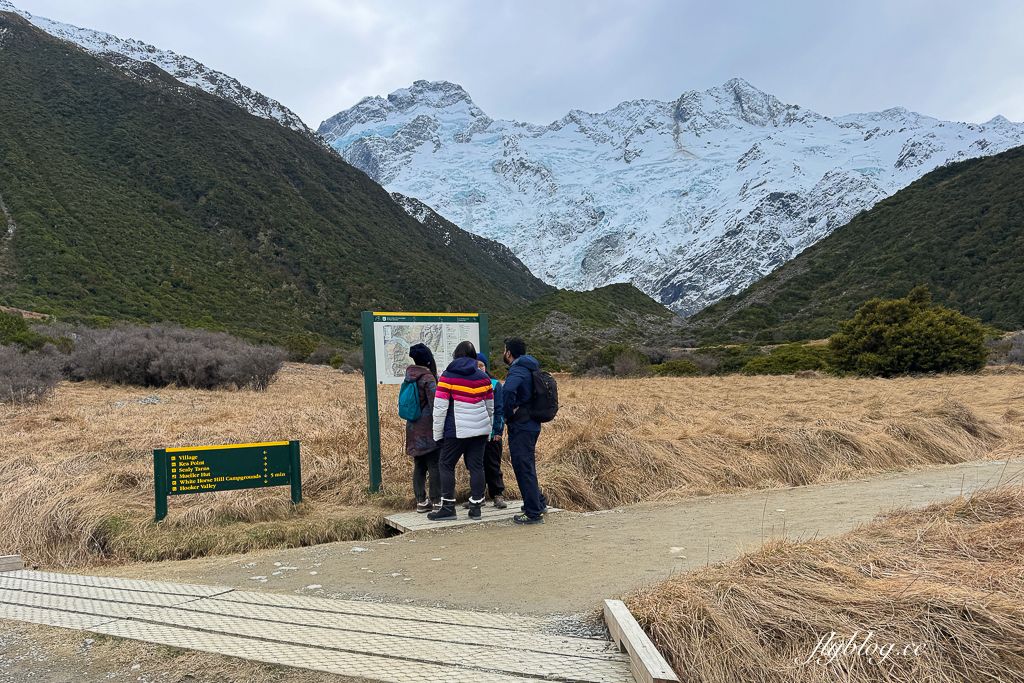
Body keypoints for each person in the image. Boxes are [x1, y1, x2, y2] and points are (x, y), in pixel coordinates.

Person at [429, 341, 494, 521]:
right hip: (480, 430)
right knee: (476, 467)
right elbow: (490, 408)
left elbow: (440, 409)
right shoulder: (484, 378)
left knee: (446, 464)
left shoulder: (447, 377)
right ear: (474, 357)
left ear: (455, 356)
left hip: (456, 430)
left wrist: (437, 435)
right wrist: (488, 429)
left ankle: (448, 507)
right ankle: (476, 507)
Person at [501, 337, 548, 524]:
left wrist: (508, 415)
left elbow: (508, 391)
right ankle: (538, 501)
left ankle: (533, 512)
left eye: (505, 350)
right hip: (532, 423)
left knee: (523, 468)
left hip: (521, 425)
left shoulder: (518, 369)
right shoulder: (531, 367)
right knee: (527, 465)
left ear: (509, 353)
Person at [462, 352, 507, 510]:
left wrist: (498, 430)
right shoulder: (466, 384)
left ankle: (497, 495)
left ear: (485, 366)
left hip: (490, 433)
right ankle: (478, 497)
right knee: (474, 465)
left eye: (481, 365)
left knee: (493, 463)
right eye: (475, 365)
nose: (478, 368)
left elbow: (499, 409)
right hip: (472, 432)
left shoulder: (495, 384)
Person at [404, 343, 441, 513]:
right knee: (434, 464)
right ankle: (436, 500)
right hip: (428, 427)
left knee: (419, 466)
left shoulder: (409, 376)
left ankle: (421, 501)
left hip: (412, 426)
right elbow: (436, 404)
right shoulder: (428, 378)